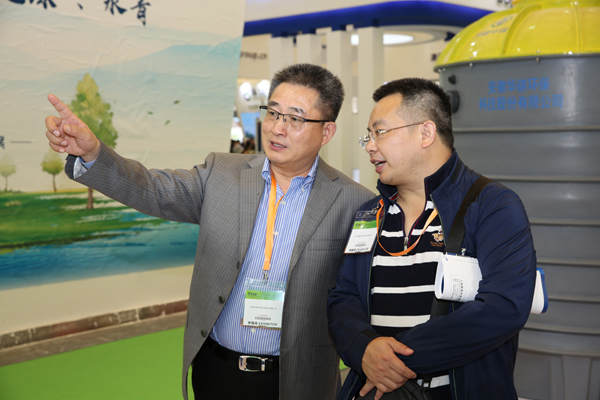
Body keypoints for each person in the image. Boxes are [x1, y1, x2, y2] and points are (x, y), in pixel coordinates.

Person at [44, 63, 374, 400]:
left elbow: (365, 297)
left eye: (295, 119)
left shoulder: (354, 202)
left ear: (327, 131)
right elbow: (152, 189)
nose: (278, 128)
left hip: (299, 380)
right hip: (217, 371)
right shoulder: (221, 174)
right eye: (273, 113)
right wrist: (94, 154)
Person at [327, 78, 536, 400]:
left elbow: (504, 307)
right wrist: (364, 348)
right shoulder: (370, 213)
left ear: (425, 133)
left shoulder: (492, 206)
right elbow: (344, 297)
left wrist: (392, 360)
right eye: (368, 136)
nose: (370, 146)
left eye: (380, 132)